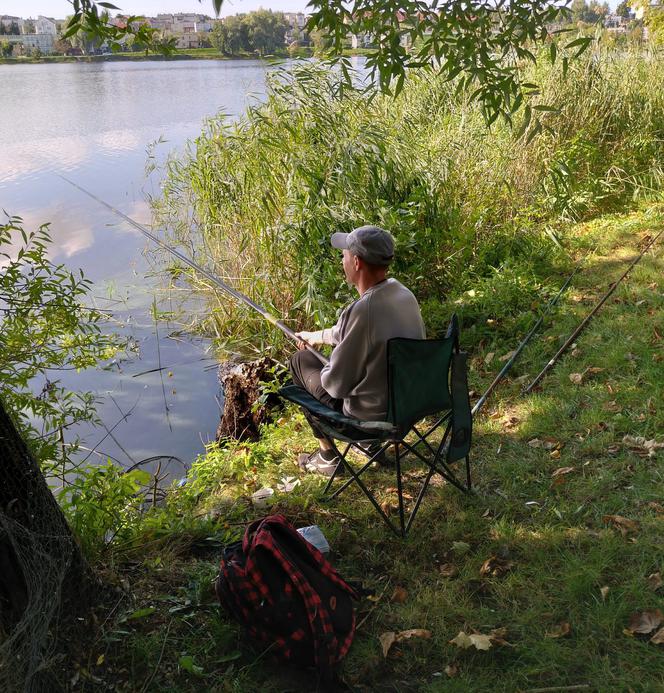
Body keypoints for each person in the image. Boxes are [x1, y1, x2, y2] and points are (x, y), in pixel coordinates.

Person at [290, 225, 425, 476]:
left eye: (344, 256)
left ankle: (328, 457)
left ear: (357, 261)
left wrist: (328, 363)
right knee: (311, 353)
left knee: (300, 361)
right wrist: (314, 337)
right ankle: (368, 446)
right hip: (409, 406)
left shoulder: (363, 311)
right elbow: (349, 330)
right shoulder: (402, 293)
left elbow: (335, 386)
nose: (342, 261)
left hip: (371, 420)